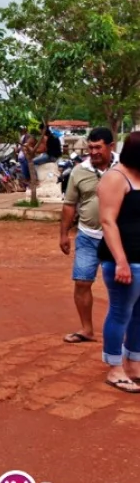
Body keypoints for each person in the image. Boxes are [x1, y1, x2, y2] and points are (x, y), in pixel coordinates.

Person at [60, 127, 116, 344]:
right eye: (90, 147)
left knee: (124, 286)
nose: (93, 152)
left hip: (118, 238)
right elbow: (69, 205)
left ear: (111, 146)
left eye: (98, 147)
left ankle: (127, 334)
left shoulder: (125, 167)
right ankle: (86, 329)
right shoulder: (78, 171)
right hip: (88, 236)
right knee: (82, 282)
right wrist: (64, 234)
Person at [96, 132, 140, 393]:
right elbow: (107, 221)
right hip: (123, 260)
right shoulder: (115, 177)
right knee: (121, 312)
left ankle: (134, 363)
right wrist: (121, 261)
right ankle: (115, 368)